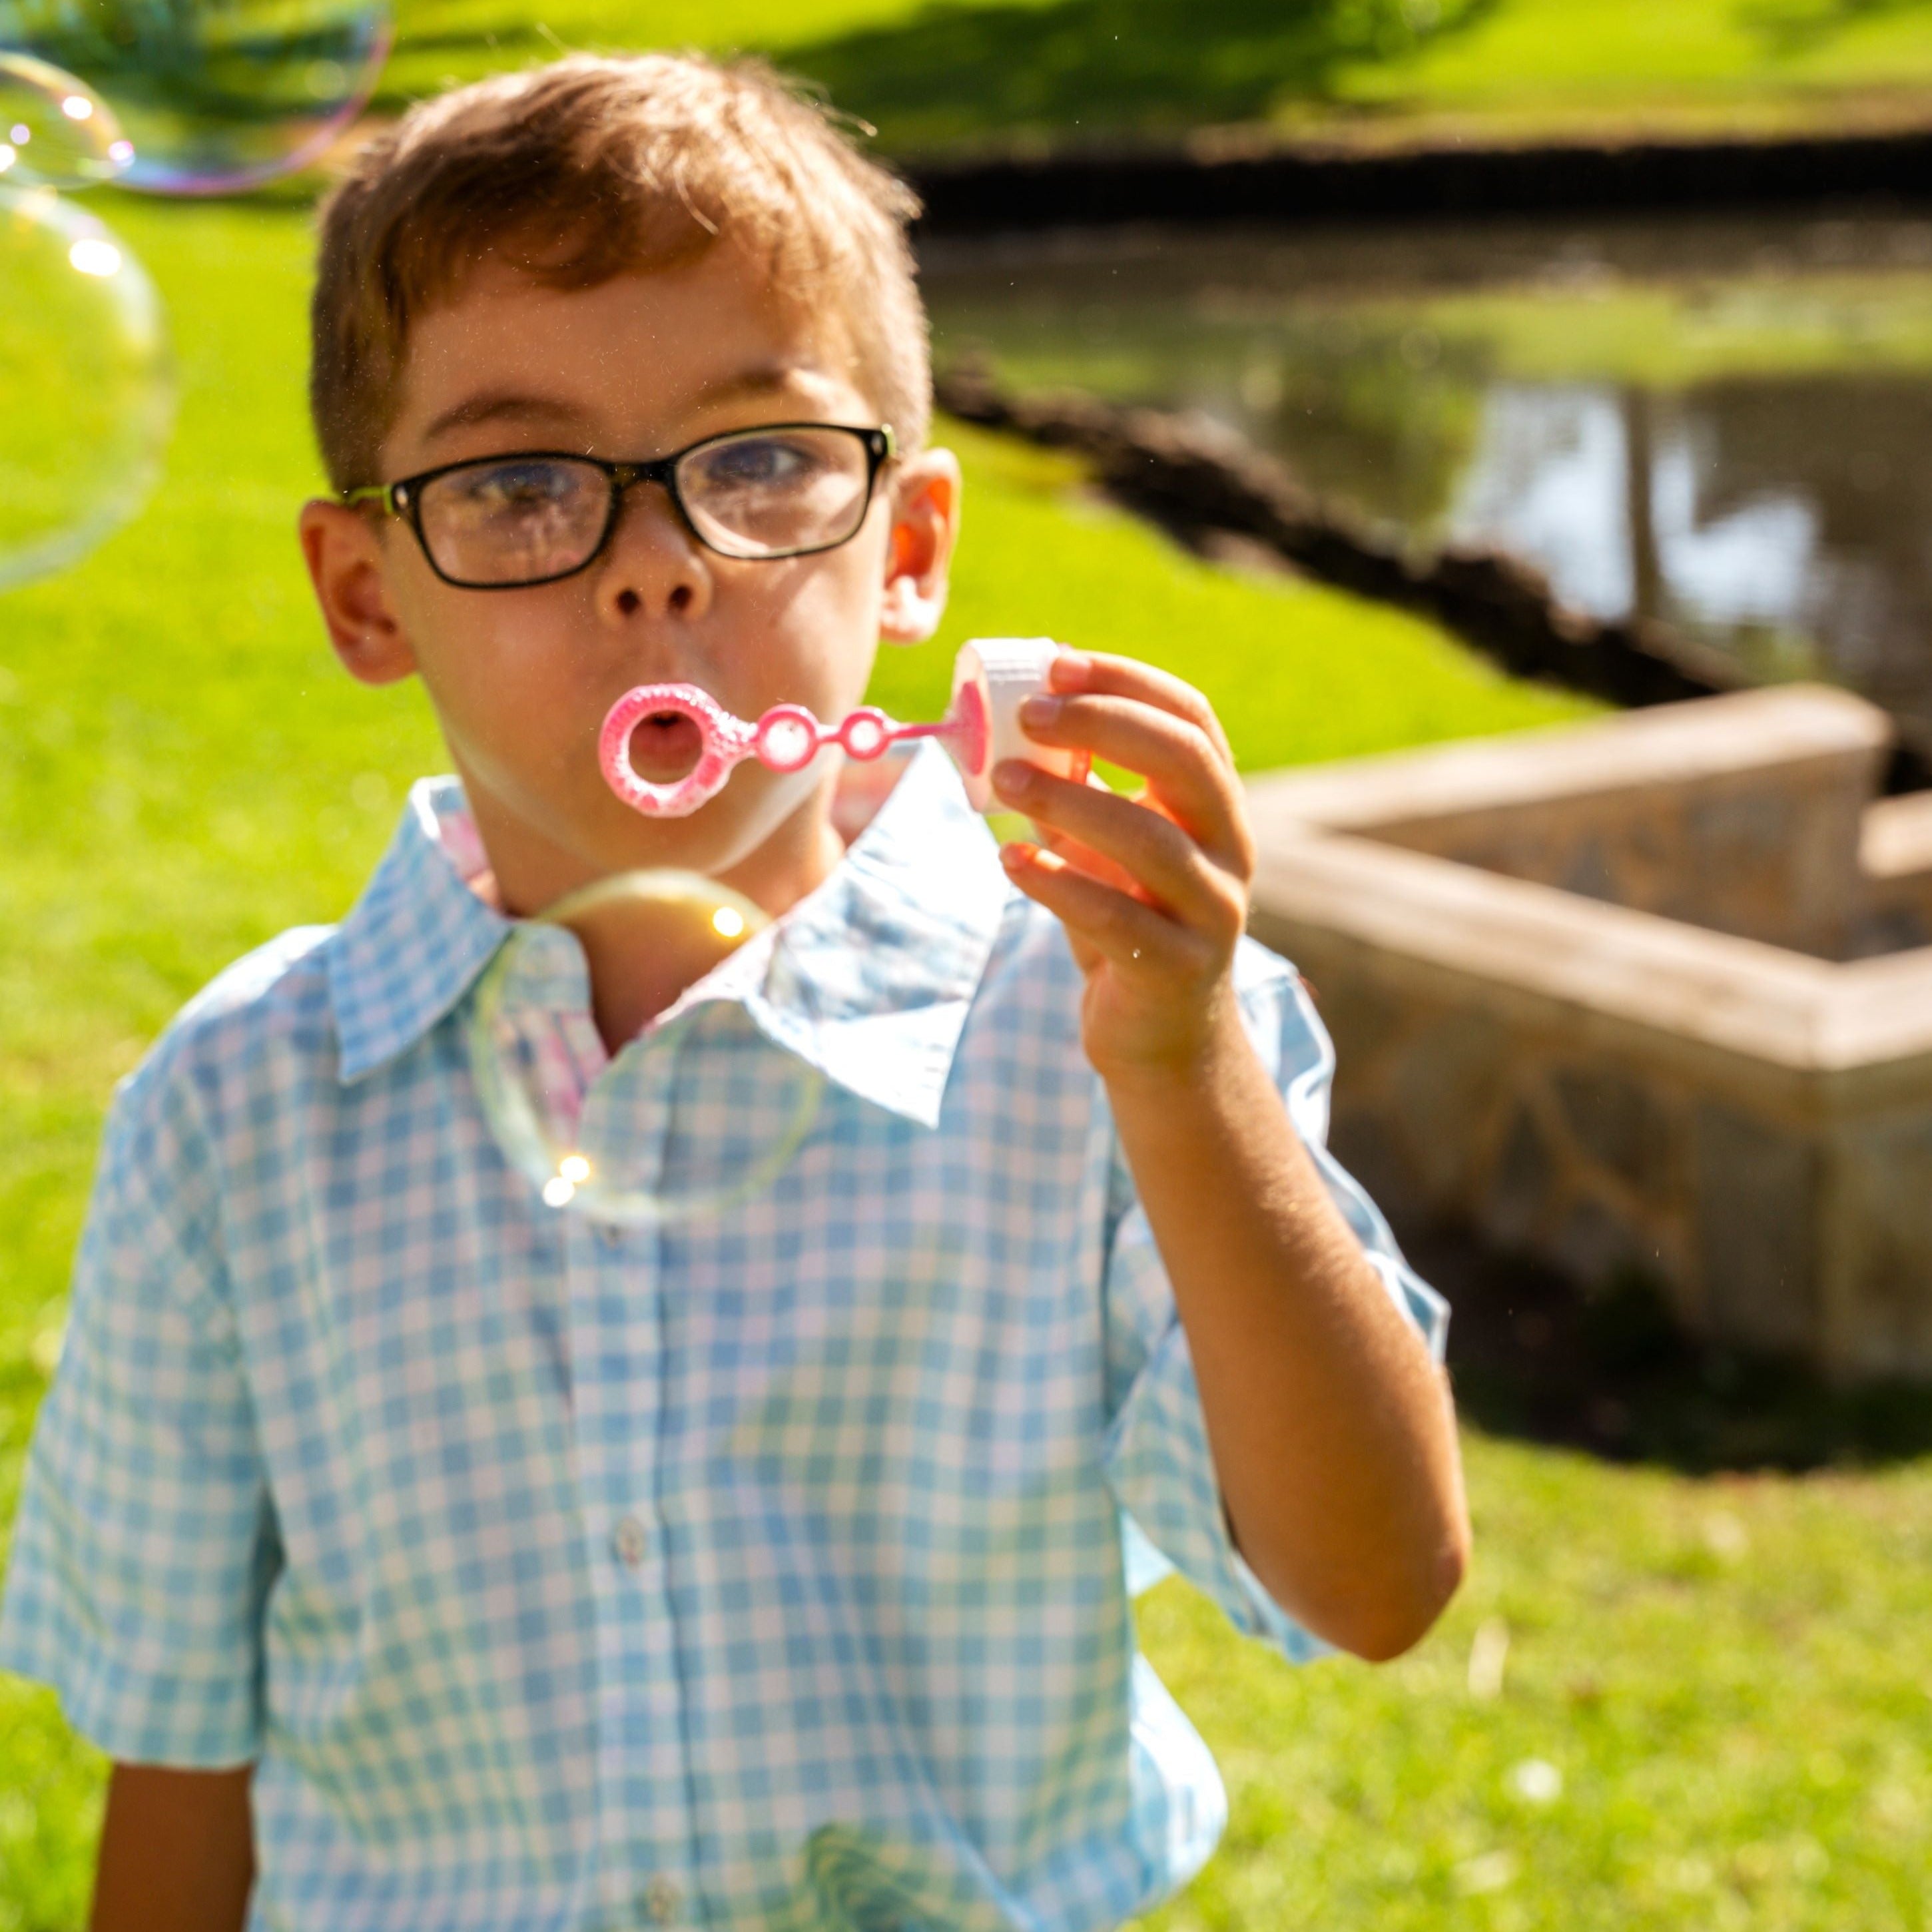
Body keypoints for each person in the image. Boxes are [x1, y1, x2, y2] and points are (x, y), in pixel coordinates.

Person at [0, 54, 1468, 1932]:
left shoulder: (1107, 1033)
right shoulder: (239, 1110)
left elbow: (1377, 1582)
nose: (656, 563)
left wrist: (1181, 1078)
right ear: (367, 594)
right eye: (521, 486)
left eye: (762, 463)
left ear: (913, 547)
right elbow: (181, 1759)